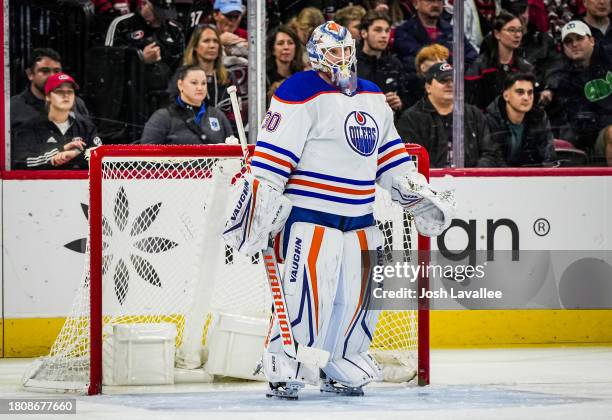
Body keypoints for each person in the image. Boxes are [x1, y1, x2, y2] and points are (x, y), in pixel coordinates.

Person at [223, 21, 454, 400]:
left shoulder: (373, 95)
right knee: (309, 294)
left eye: (347, 51)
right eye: (334, 52)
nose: (342, 60)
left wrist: (416, 195)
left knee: (359, 296)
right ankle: (288, 363)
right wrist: (260, 209)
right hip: (310, 213)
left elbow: (390, 158)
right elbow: (270, 162)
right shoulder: (298, 91)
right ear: (316, 54)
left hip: (361, 213)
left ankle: (343, 360)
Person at [396, 62, 502, 167]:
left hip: (472, 181)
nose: (450, 84)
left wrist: (472, 176)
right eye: (443, 80)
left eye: (453, 80)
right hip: (429, 182)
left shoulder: (474, 114)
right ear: (428, 87)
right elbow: (412, 159)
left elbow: (491, 153)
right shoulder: (411, 119)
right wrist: (440, 178)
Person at [544, 20, 612, 162]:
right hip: (594, 139)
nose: (574, 45)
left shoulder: (609, 58)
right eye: (568, 41)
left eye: (579, 38)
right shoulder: (563, 79)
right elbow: (580, 127)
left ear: (592, 40)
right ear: (563, 48)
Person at [105, 0, 185, 114]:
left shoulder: (174, 30)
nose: (159, 19)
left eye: (163, 14)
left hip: (164, 98)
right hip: (128, 98)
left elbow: (179, 67)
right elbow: (107, 63)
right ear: (144, 4)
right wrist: (140, 58)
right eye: (156, 13)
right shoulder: (122, 25)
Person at [12, 73, 101, 170]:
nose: (66, 95)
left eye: (70, 91)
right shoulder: (30, 127)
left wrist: (75, 155)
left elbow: (101, 158)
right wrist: (60, 150)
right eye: (59, 91)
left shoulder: (86, 126)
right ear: (47, 97)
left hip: (80, 184)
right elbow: (20, 163)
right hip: (43, 185)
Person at [140, 65, 233, 144]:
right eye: (194, 83)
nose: (200, 88)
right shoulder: (162, 117)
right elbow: (145, 158)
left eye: (204, 83)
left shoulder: (217, 115)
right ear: (180, 85)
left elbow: (233, 153)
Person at [11, 48, 89, 134]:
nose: (52, 76)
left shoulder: (76, 103)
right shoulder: (12, 107)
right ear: (30, 74)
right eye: (45, 71)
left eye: (56, 71)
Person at [465, 11, 534, 109]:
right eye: (512, 30)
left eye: (519, 30)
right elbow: (470, 107)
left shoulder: (526, 68)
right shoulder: (479, 68)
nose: (518, 35)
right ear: (497, 34)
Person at [485, 72, 557, 166]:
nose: (526, 98)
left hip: (531, 178)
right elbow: (493, 160)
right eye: (520, 92)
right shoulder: (490, 121)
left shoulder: (539, 117)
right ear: (506, 96)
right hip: (501, 178)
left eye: (530, 93)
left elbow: (549, 157)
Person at [393, 0, 478, 72]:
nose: (436, 4)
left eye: (439, 0)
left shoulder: (453, 30)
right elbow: (419, 60)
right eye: (430, 0)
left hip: (453, 81)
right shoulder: (404, 31)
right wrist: (451, 61)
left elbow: (472, 56)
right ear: (416, 4)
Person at [356, 11, 405, 113]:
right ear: (364, 33)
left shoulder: (395, 64)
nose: (384, 35)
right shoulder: (350, 63)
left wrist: (399, 103)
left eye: (387, 31)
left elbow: (405, 97)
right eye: (378, 30)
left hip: (389, 123)